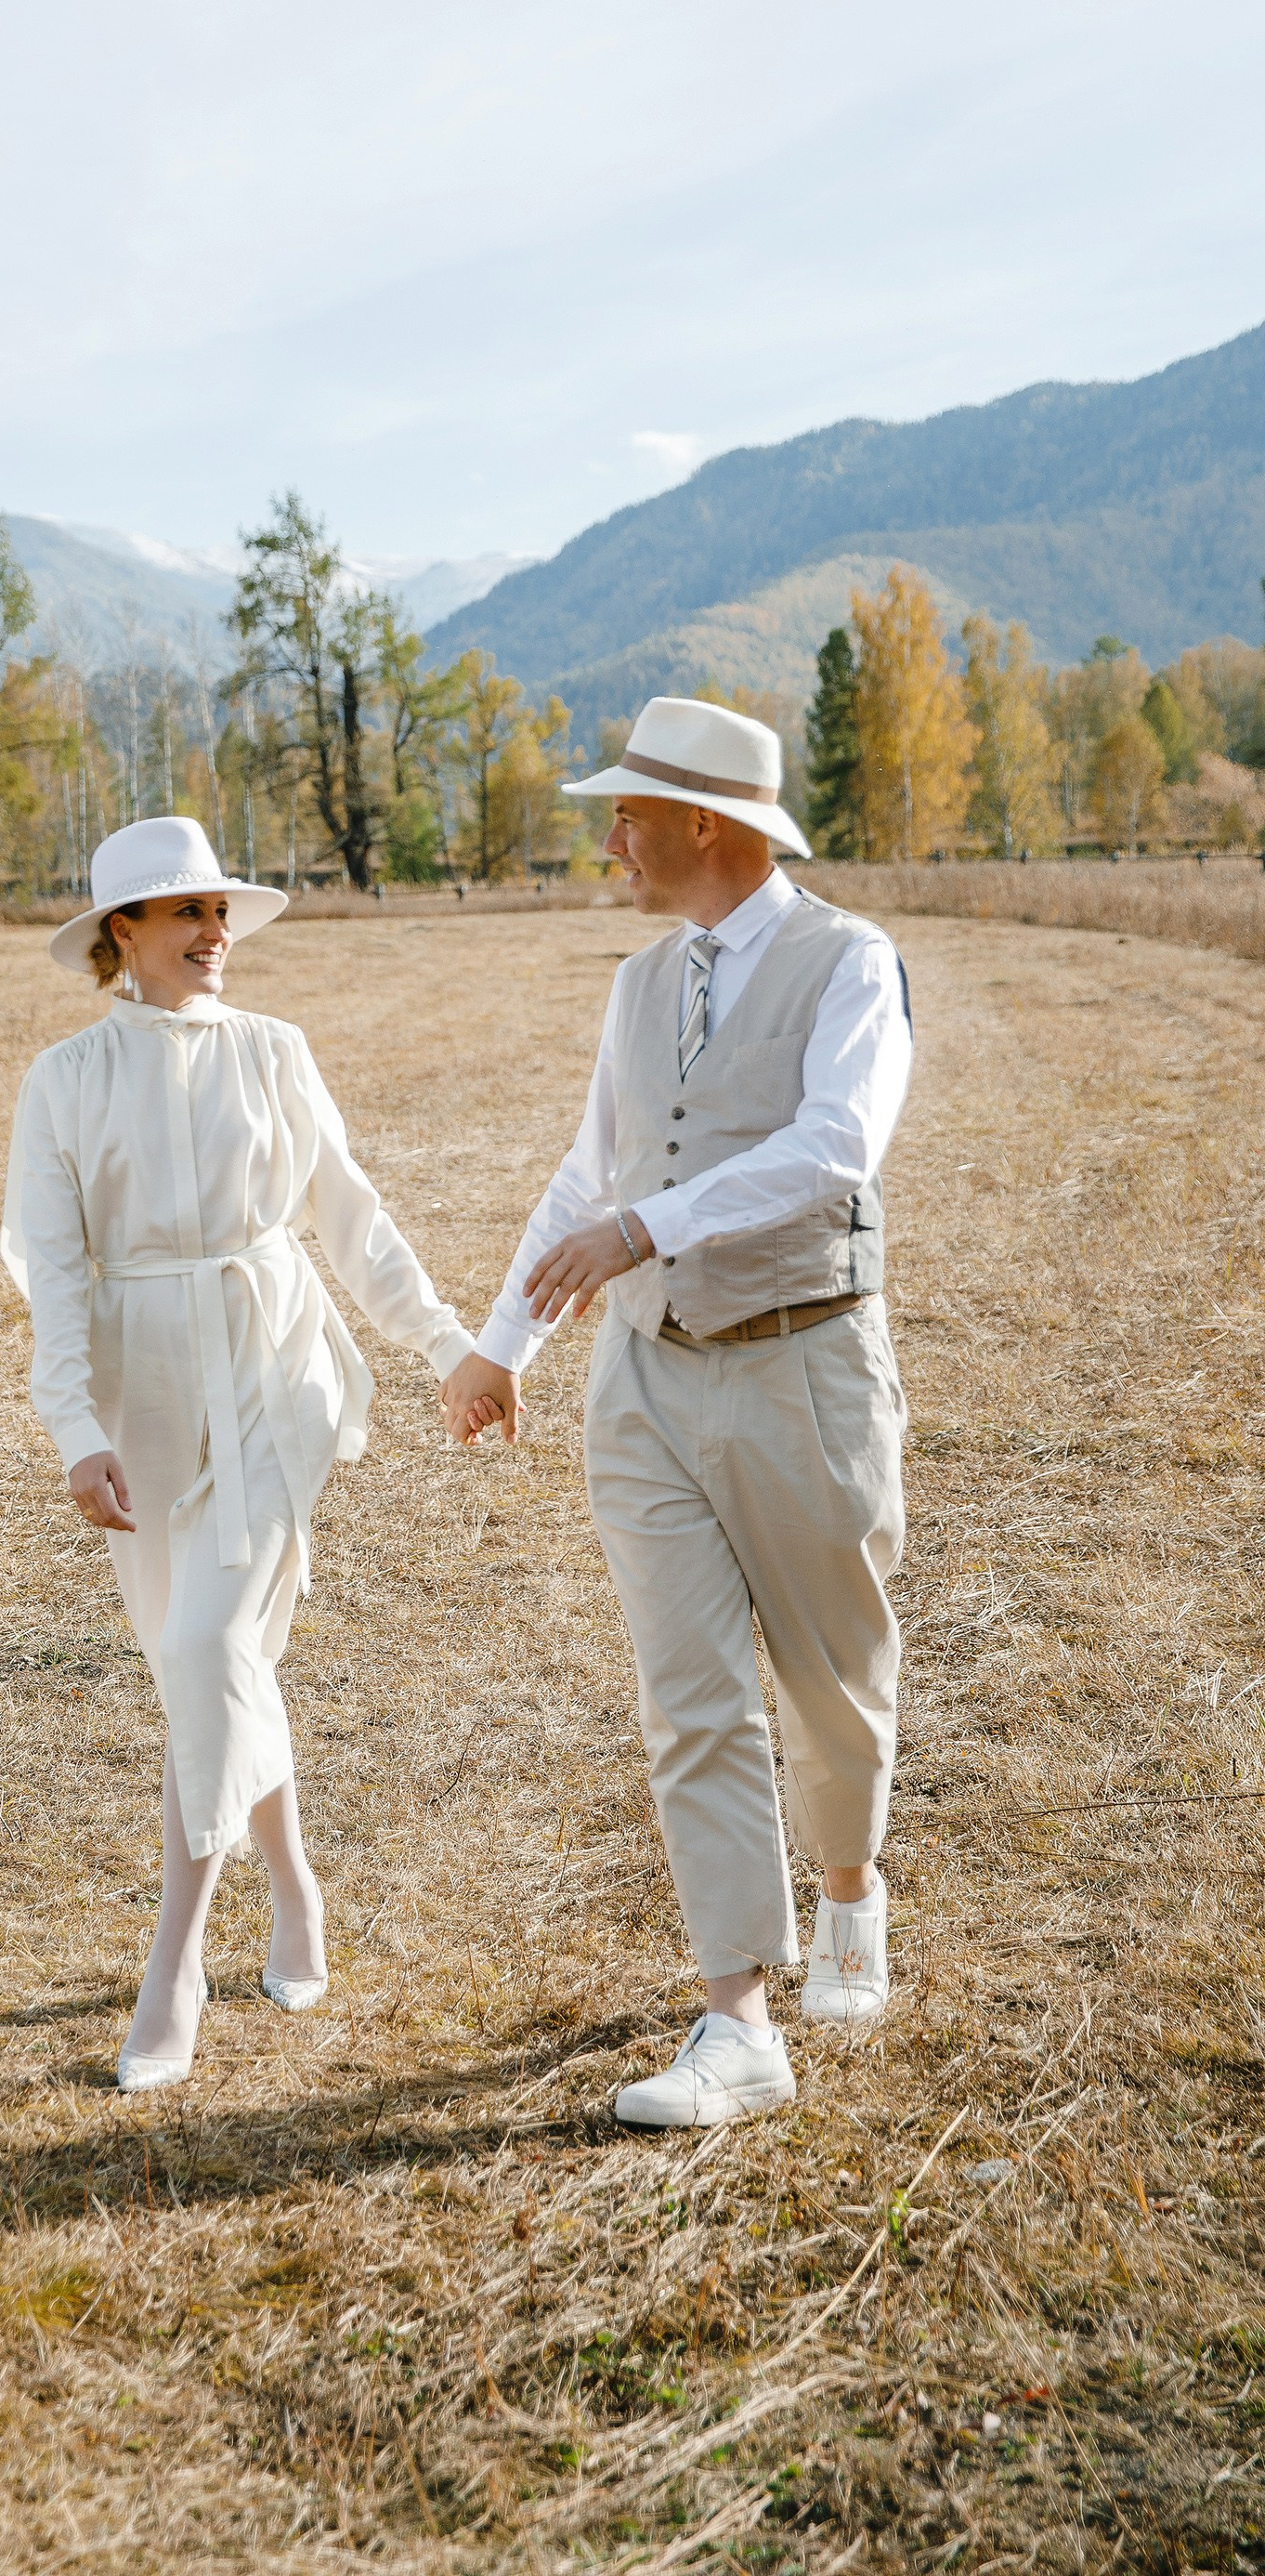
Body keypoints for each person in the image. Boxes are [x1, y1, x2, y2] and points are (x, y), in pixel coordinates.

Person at [442, 696, 913, 2130]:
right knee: (690, 1694)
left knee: (832, 1685)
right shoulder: (640, 983)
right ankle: (737, 2016)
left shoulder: (853, 964)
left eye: (628, 817)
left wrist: (653, 1228)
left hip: (801, 1365)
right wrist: (503, 1337)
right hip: (643, 1383)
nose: (613, 845)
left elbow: (836, 1150)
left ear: (707, 822)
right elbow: (593, 1173)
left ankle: (850, 1894)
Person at [2, 816, 487, 2092]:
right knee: (200, 1668)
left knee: (213, 1650)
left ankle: (177, 1963)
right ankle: (295, 1884)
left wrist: (447, 1348)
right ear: (123, 933)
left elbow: (352, 1219)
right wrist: (76, 1430)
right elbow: (52, 1274)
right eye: (186, 916)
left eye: (221, 914)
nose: (217, 937)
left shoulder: (278, 1055)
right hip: (142, 1397)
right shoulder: (63, 1082)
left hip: (278, 1375)